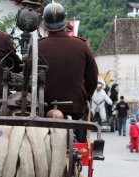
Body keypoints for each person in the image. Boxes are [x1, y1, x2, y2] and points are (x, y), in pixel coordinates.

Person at [38, 1, 98, 141]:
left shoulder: (38, 47)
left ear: (45, 25)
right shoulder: (81, 46)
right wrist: (84, 97)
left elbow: (28, 79)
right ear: (65, 23)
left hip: (43, 109)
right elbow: (92, 79)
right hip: (76, 108)